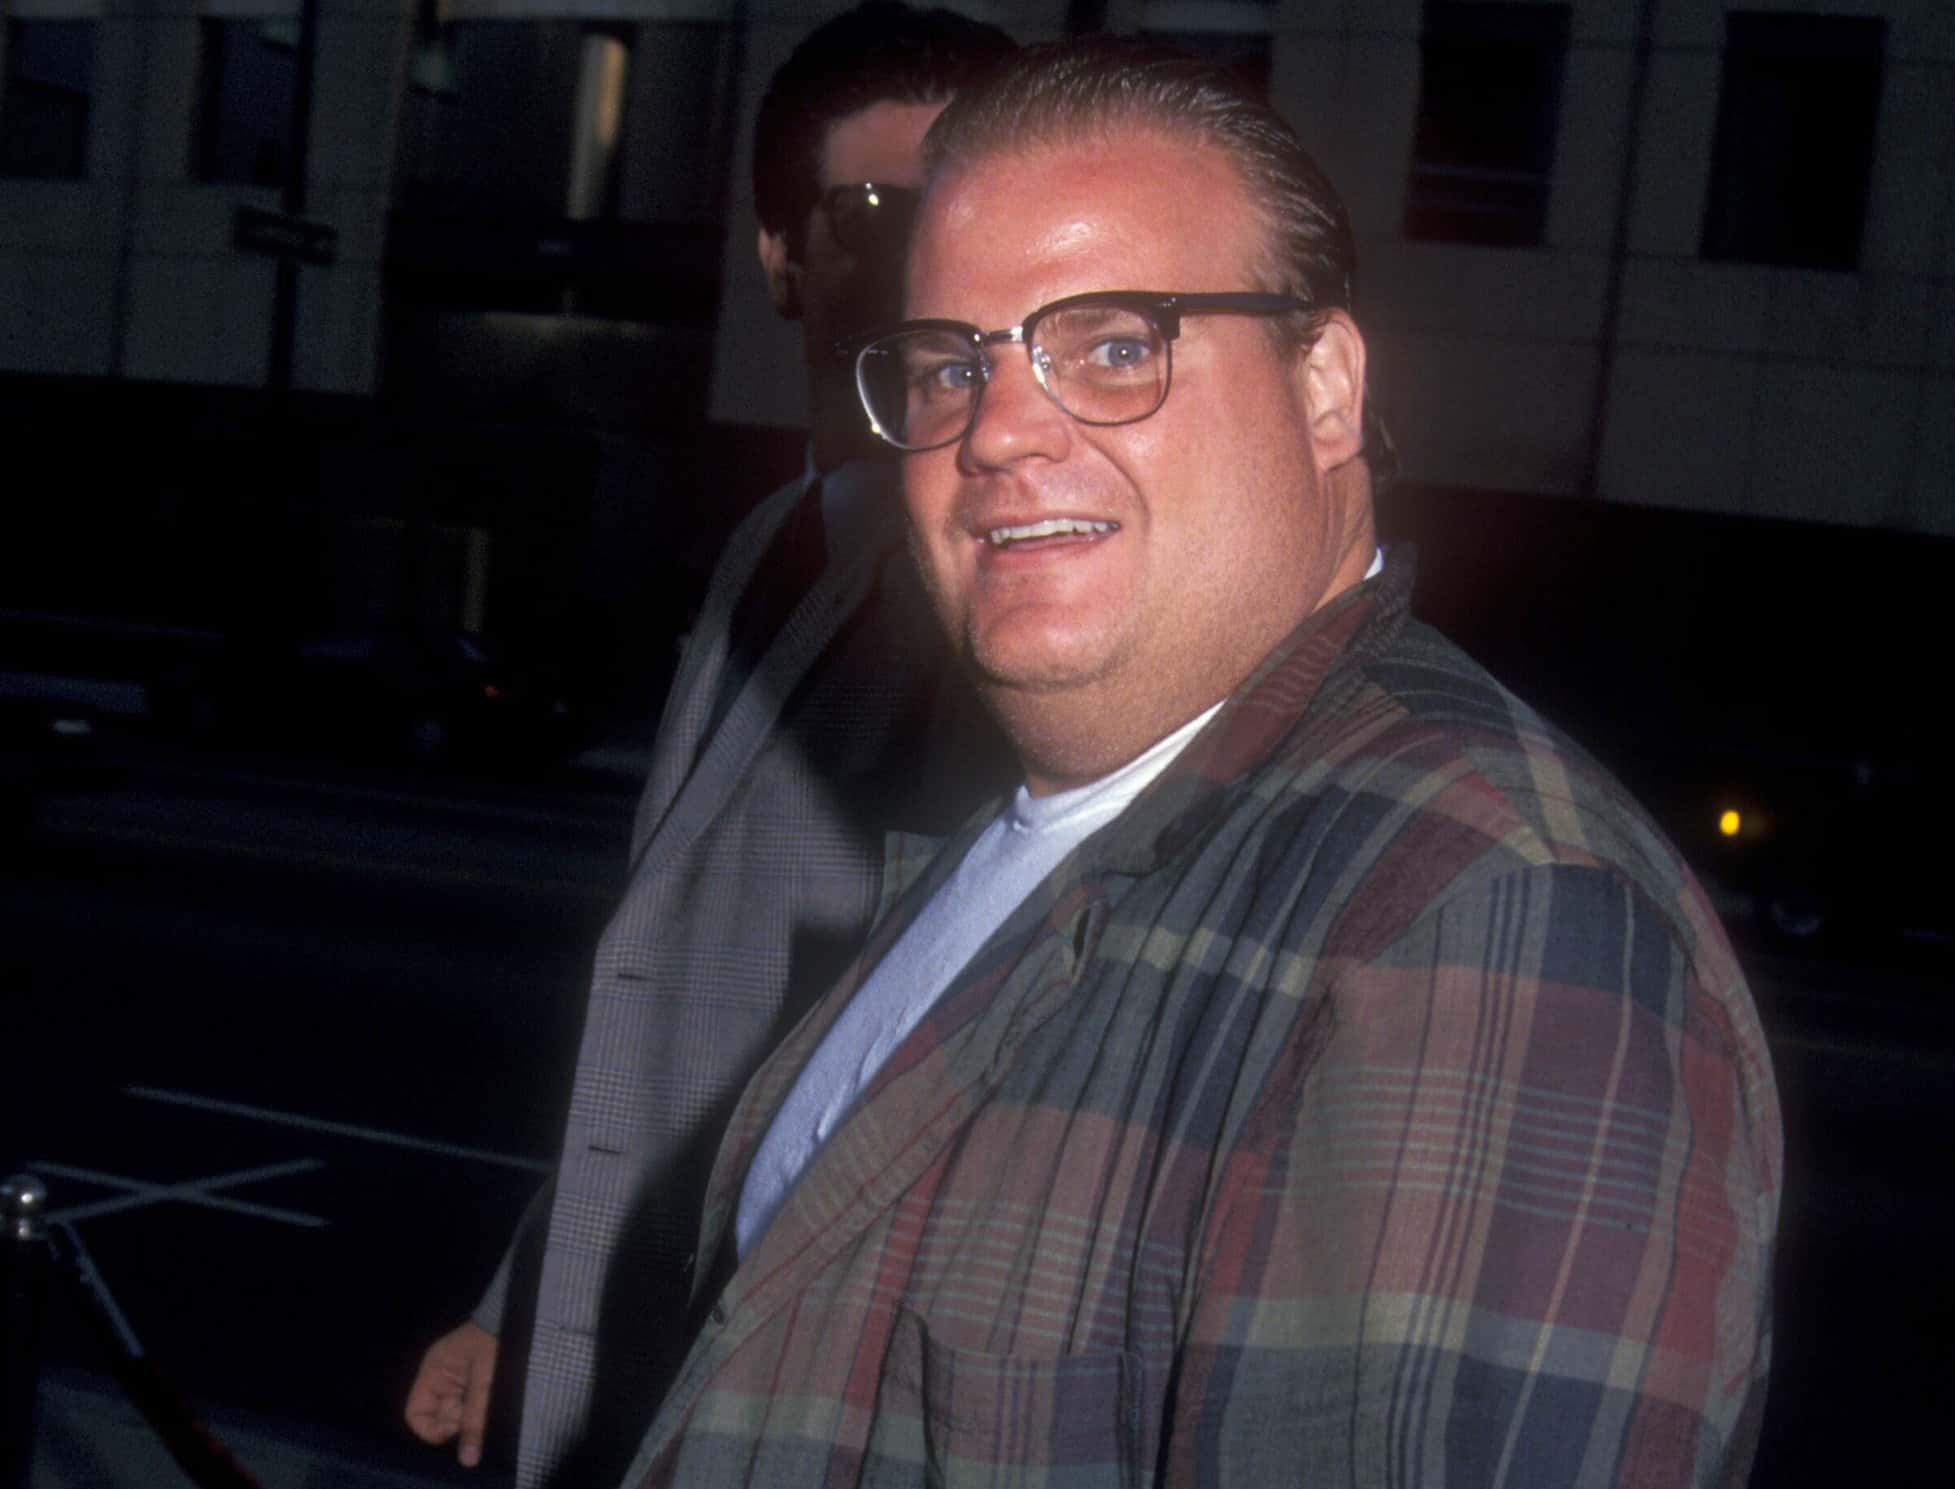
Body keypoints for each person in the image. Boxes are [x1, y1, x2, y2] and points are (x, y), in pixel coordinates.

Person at [620, 38, 1782, 1489]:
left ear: (1327, 389)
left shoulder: (1488, 907)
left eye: (1114, 344)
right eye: (947, 364)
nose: (998, 430)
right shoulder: (1027, 825)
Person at [401, 8, 1014, 1487]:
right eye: (878, 209)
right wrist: (520, 1297)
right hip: (623, 1361)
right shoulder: (762, 550)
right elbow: (668, 1010)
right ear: (780, 255)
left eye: (969, 205)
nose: (932, 249)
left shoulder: (998, 587)